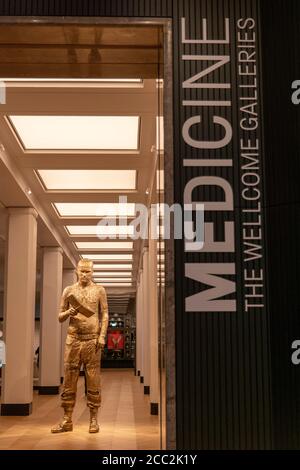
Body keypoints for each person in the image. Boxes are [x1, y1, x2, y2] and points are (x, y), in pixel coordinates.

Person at [51, 259, 108, 434]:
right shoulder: (69, 291)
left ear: (93, 272)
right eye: (82, 271)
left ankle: (93, 419)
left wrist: (102, 336)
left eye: (88, 272)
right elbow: (59, 317)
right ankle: (67, 419)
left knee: (93, 378)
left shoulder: (99, 290)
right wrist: (69, 312)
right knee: (69, 377)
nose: (85, 275)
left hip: (92, 340)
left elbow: (104, 314)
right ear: (77, 271)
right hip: (73, 339)